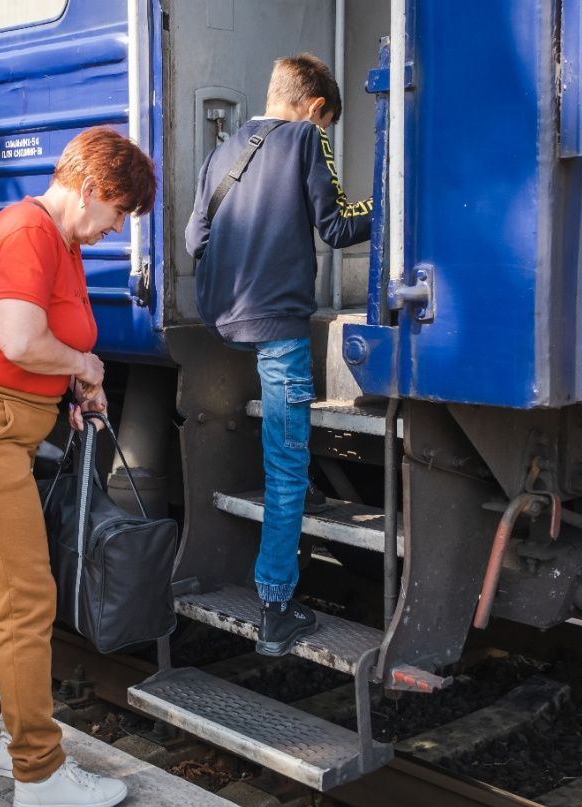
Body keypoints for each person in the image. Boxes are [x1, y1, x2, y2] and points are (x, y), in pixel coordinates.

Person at [0, 126, 155, 807]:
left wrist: (73, 384)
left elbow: (45, 340)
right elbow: (19, 339)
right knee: (25, 597)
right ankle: (41, 774)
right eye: (118, 213)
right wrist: (80, 365)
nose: (117, 228)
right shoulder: (28, 231)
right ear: (92, 190)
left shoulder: (62, 242)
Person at [185, 54, 372, 657]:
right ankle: (276, 608)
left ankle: (275, 564)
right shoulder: (305, 140)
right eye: (327, 122)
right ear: (315, 109)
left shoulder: (224, 150)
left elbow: (195, 240)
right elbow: (340, 226)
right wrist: (398, 203)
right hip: (278, 331)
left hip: (222, 322)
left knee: (282, 459)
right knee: (286, 468)